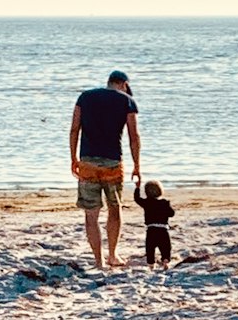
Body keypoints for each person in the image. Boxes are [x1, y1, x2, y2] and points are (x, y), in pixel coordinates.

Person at [70, 70, 141, 267]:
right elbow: (133, 137)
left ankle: (98, 260)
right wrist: (137, 166)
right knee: (114, 209)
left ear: (109, 82)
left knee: (91, 214)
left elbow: (75, 129)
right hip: (113, 162)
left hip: (87, 161)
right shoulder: (127, 101)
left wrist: (73, 158)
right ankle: (112, 254)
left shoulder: (85, 97)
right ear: (124, 84)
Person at [133, 180, 175, 265]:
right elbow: (172, 214)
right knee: (166, 248)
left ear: (146, 192)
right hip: (163, 230)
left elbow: (137, 199)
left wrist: (137, 187)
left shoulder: (147, 202)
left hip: (151, 229)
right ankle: (166, 261)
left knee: (150, 248)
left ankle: (151, 264)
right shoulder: (164, 203)